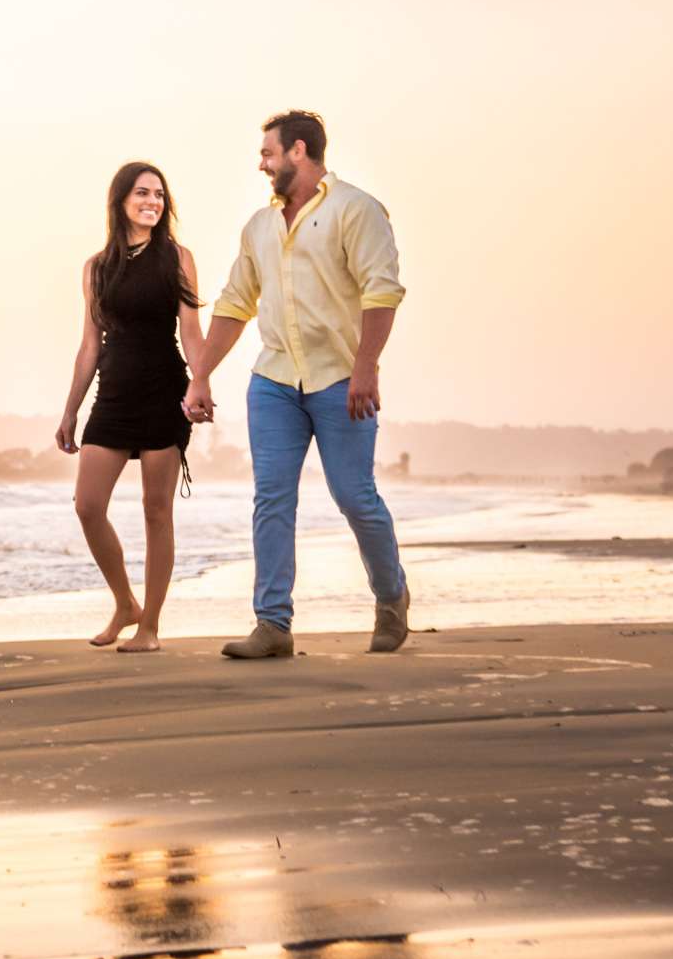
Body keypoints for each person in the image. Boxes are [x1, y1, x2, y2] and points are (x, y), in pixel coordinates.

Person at [184, 111, 409, 658]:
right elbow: (235, 305)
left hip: (340, 378)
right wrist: (201, 376)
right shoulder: (259, 228)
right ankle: (273, 624)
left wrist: (366, 366)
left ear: (299, 151)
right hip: (274, 381)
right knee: (272, 499)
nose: (262, 164)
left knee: (354, 496)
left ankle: (391, 598)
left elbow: (382, 291)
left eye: (268, 153)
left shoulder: (357, 209)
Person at [57, 162, 207, 653]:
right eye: (143, 193)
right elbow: (88, 345)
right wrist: (70, 411)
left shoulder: (177, 258)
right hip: (114, 396)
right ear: (120, 200)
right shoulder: (97, 268)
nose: (153, 201)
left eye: (160, 195)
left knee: (156, 510)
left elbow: (191, 332)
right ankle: (125, 603)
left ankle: (150, 627)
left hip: (164, 391)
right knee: (87, 506)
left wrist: (199, 383)